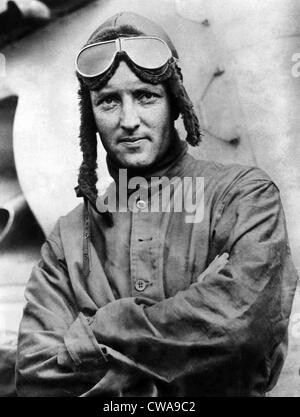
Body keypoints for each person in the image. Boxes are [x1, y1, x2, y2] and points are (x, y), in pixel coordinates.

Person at [15, 11, 298, 397]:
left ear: (175, 102)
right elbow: (35, 375)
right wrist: (189, 331)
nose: (128, 120)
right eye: (109, 102)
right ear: (91, 116)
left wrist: (97, 329)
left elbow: (242, 332)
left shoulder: (244, 197)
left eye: (145, 96)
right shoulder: (68, 240)